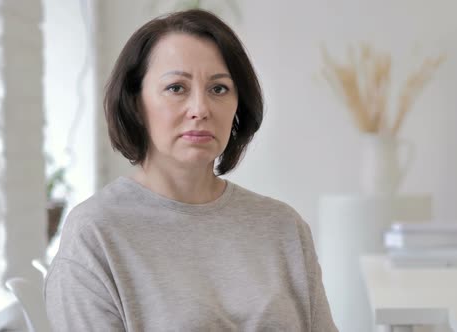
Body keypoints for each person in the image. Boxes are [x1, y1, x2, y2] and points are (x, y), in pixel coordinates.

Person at [43, 9, 338, 332]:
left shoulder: (284, 228)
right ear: (135, 103)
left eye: (219, 89)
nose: (200, 109)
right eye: (176, 88)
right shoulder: (96, 232)